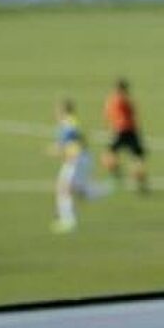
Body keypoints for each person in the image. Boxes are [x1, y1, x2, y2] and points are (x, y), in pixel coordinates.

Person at [49, 98, 104, 233]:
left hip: (77, 160)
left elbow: (71, 143)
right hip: (77, 159)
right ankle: (95, 192)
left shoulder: (68, 124)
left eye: (57, 109)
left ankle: (68, 222)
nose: (55, 112)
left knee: (64, 188)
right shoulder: (68, 123)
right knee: (72, 189)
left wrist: (57, 150)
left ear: (63, 110)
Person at [100, 78, 150, 195]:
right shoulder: (126, 100)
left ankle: (116, 174)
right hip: (131, 131)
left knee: (108, 155)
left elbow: (107, 114)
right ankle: (141, 184)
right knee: (137, 159)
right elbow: (133, 114)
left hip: (119, 131)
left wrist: (110, 127)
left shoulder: (112, 100)